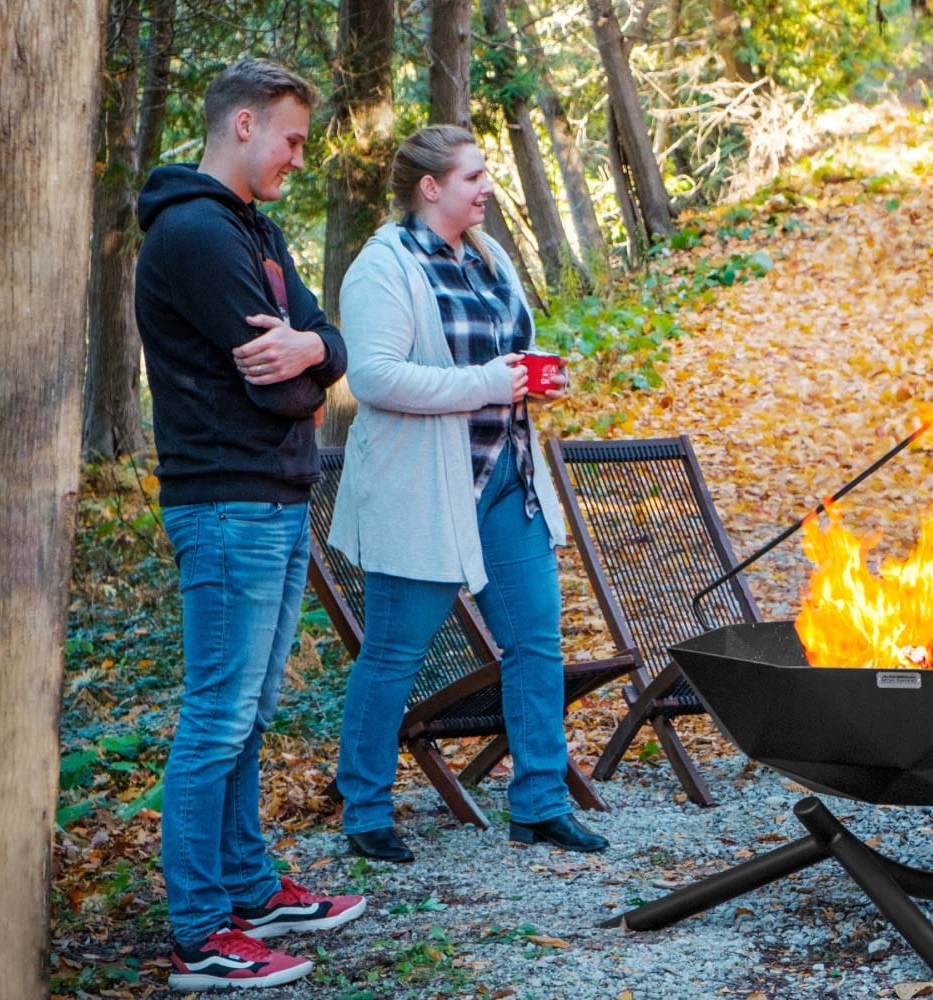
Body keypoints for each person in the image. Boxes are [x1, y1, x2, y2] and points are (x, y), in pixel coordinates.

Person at [135, 58, 363, 990]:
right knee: (217, 718)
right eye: (292, 138)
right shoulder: (192, 233)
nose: (298, 158)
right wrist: (311, 369)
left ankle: (246, 884)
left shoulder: (256, 229)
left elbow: (321, 346)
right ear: (242, 126)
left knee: (250, 713)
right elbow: (277, 396)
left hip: (269, 501)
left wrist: (314, 348)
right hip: (226, 501)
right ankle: (198, 932)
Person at [329, 125, 606, 861]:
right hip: (423, 494)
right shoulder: (383, 267)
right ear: (431, 189)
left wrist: (536, 376)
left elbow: (509, 348)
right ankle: (364, 809)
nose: (487, 187)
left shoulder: (490, 257)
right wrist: (487, 383)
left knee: (536, 643)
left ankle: (541, 803)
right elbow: (375, 378)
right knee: (393, 652)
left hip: (506, 480)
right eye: (473, 176)